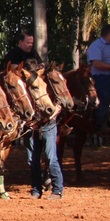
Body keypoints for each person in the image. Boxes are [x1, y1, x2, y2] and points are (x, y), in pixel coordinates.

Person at [21, 58, 64, 200]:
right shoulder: (25, 87)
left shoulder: (45, 83)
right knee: (32, 159)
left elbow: (58, 105)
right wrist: (28, 122)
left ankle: (57, 190)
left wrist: (43, 120)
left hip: (48, 125)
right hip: (34, 126)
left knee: (51, 157)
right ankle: (36, 189)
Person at [86, 24, 110, 169]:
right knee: (105, 95)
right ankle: (100, 124)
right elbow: (96, 63)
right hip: (101, 76)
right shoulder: (96, 46)